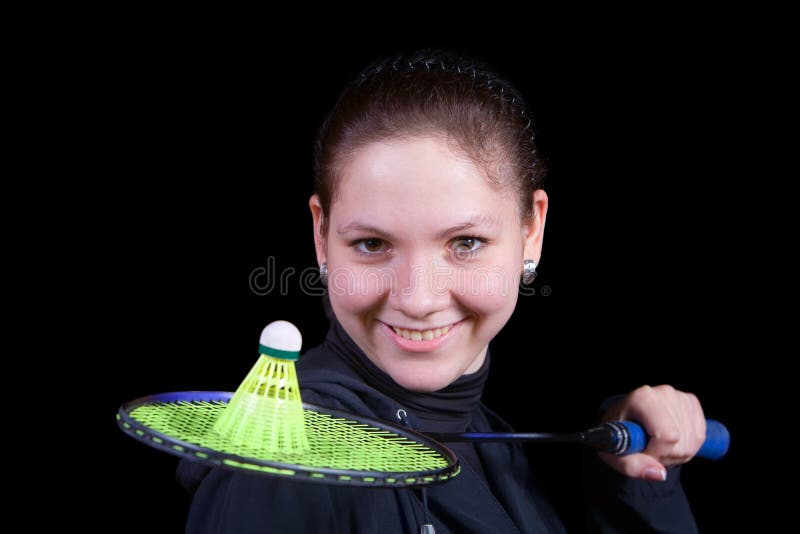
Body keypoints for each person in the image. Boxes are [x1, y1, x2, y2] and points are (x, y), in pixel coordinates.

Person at [178, 48, 706, 533]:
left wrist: (635, 480)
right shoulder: (284, 470)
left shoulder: (501, 452)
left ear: (532, 231)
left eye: (466, 242)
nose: (417, 298)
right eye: (371, 243)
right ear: (321, 235)